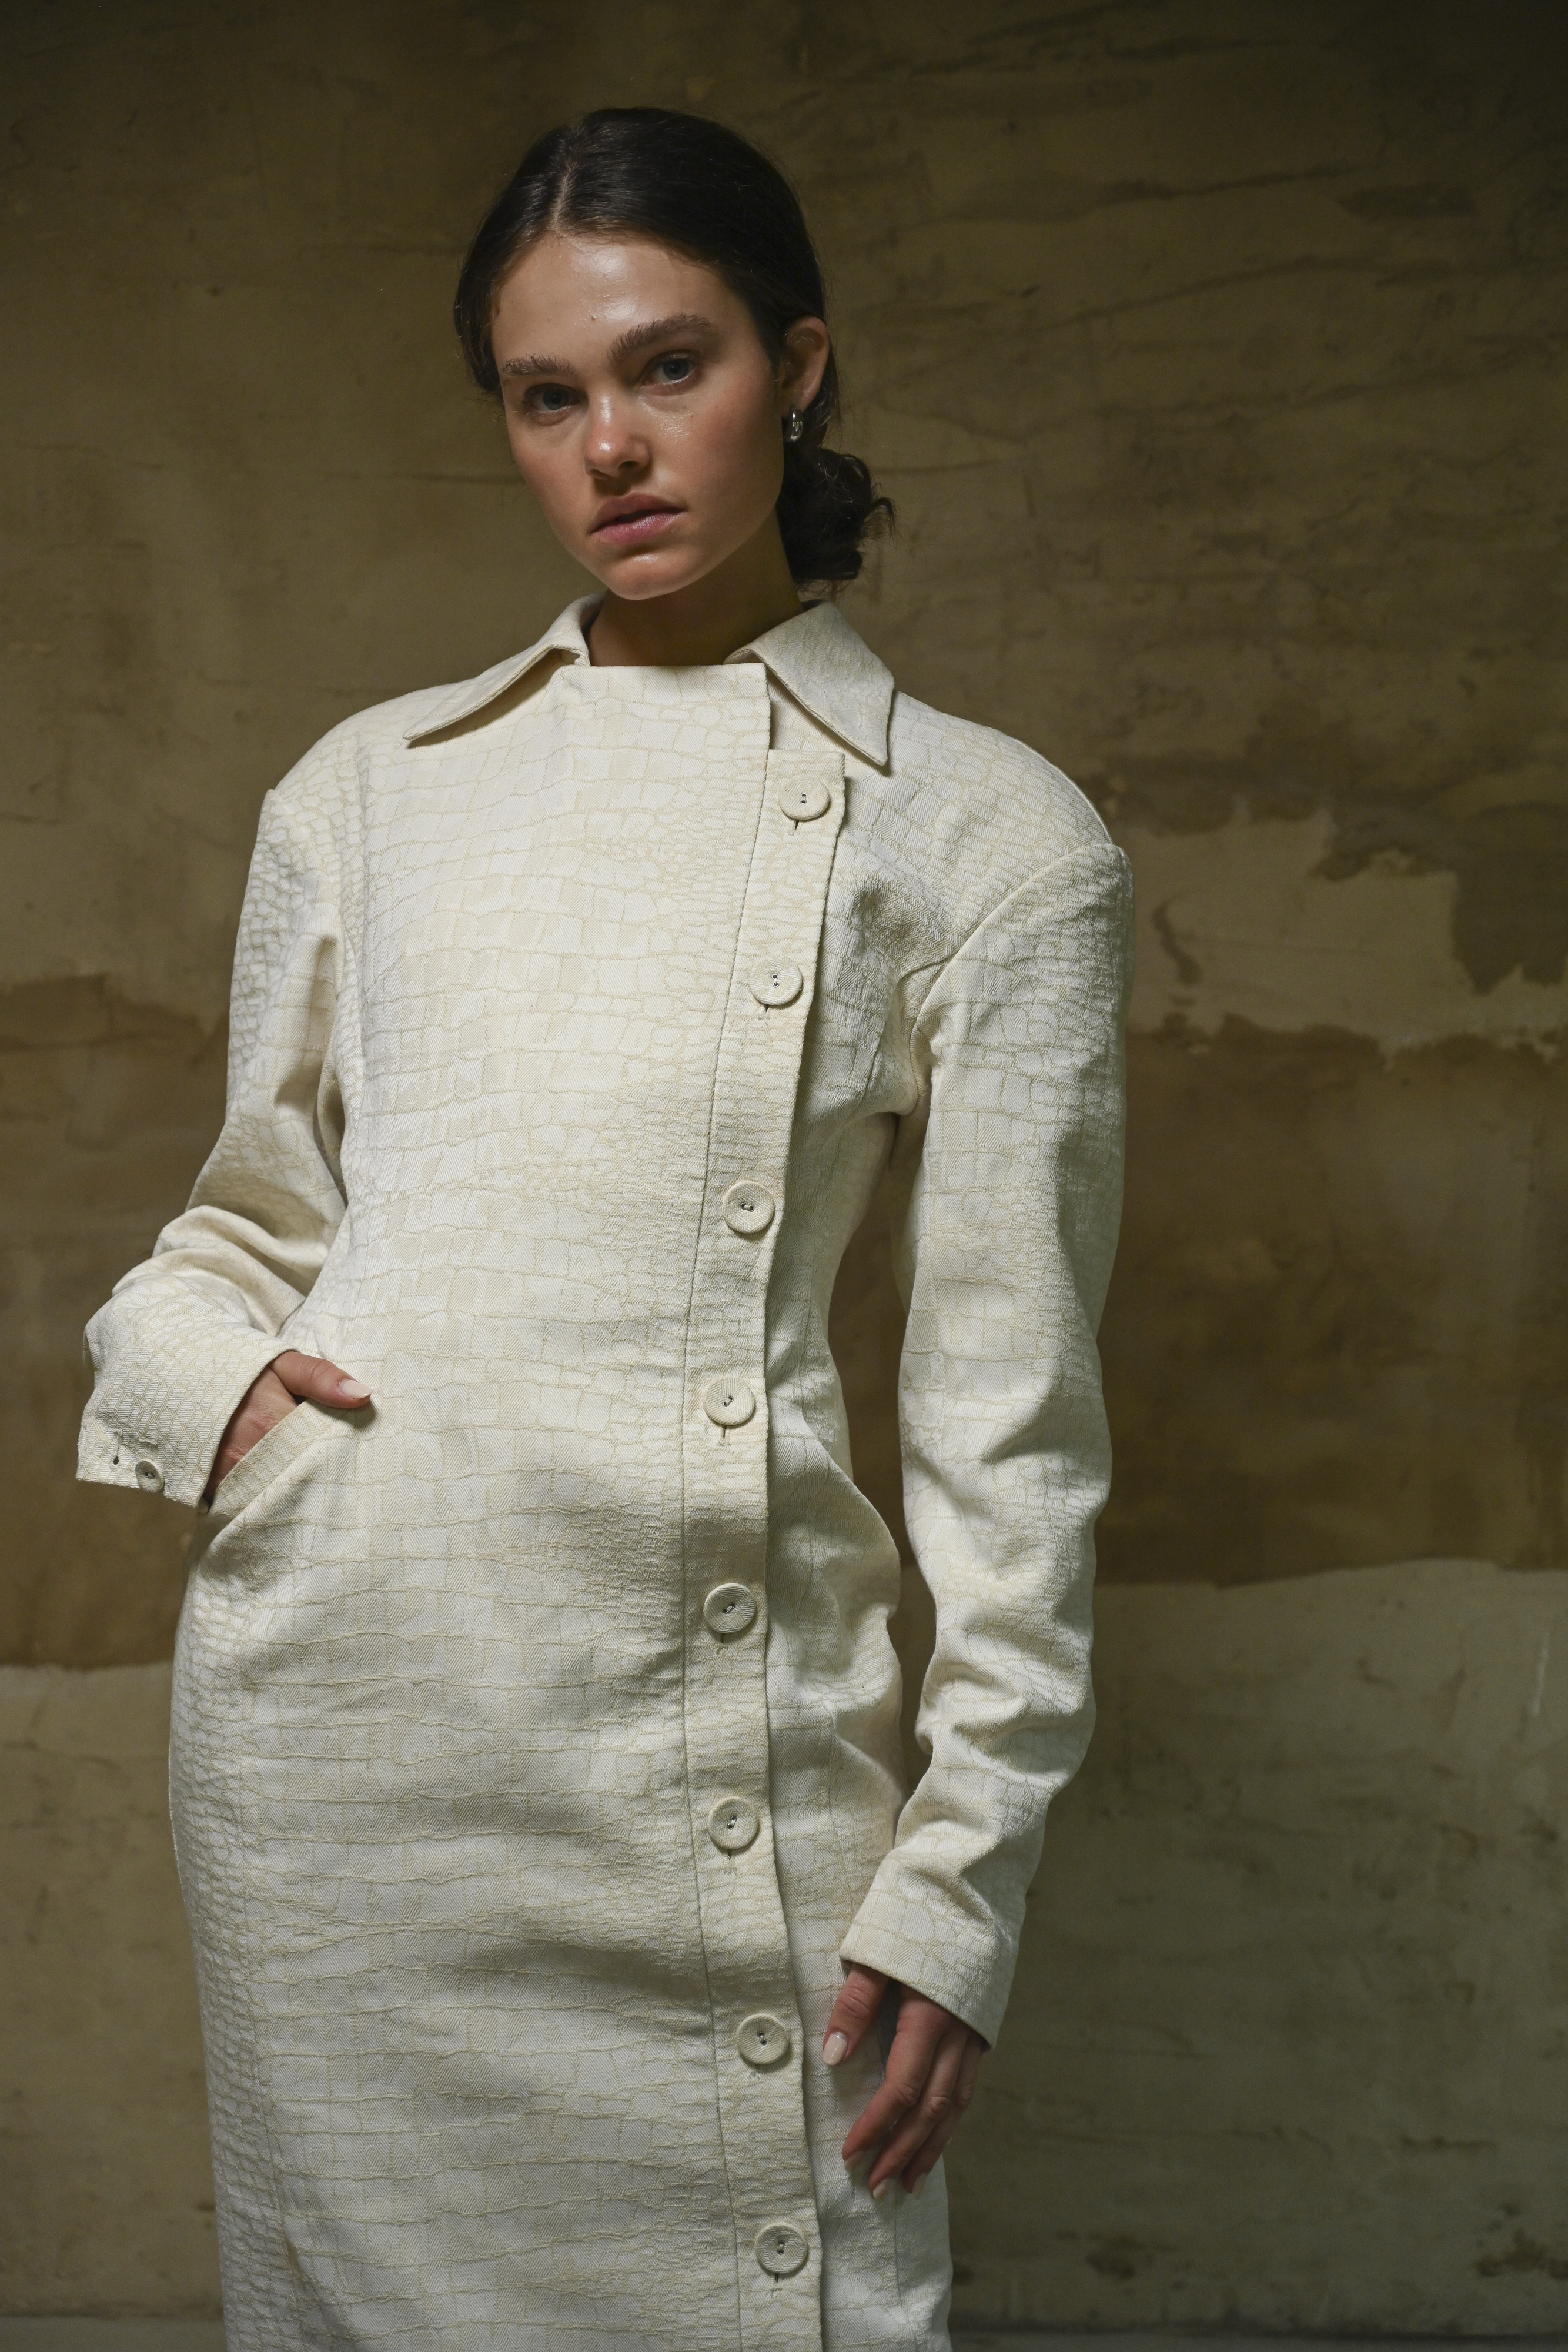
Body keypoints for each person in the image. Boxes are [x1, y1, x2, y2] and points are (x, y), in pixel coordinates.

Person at [78, 106, 1131, 2352]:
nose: (611, 449)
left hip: (705, 1747)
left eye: (671, 368)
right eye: (547, 396)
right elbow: (240, 1232)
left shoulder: (989, 839)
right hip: (345, 1751)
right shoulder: (369, 791)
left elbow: (1010, 1431)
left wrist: (961, 1882)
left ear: (800, 366)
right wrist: (224, 1409)